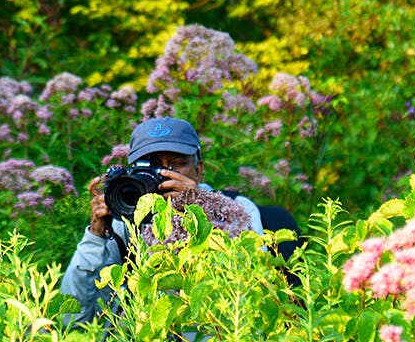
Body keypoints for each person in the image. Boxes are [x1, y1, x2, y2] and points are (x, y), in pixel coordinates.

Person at [60, 116, 263, 325]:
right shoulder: (126, 218)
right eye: (153, 166)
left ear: (199, 170)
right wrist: (95, 236)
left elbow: (252, 292)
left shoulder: (236, 208)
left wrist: (200, 213)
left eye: (177, 165)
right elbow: (72, 317)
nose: (166, 176)